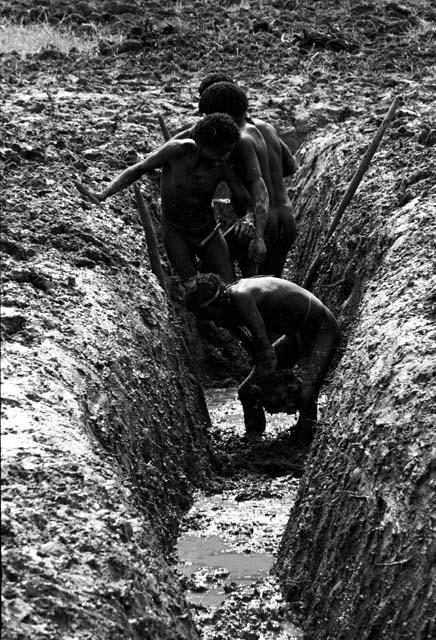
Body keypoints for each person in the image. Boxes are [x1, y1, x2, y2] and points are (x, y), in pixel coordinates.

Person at [74, 113, 252, 283]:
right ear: (204, 145)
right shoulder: (177, 151)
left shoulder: (223, 167)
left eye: (229, 151)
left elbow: (244, 198)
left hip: (208, 232)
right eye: (221, 151)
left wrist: (247, 218)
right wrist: (103, 194)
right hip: (176, 234)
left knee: (230, 286)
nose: (225, 157)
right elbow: (138, 169)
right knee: (192, 287)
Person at [184, 273, 341, 443]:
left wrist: (271, 388)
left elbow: (266, 350)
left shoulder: (241, 296)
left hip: (322, 328)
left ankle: (303, 448)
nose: (216, 323)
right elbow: (255, 352)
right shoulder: (226, 310)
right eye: (208, 319)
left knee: (307, 392)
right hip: (296, 335)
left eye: (212, 315)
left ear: (219, 301)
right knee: (246, 391)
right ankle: (255, 442)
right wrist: (263, 384)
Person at [199, 81, 297, 277]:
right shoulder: (266, 128)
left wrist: (252, 220)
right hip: (286, 218)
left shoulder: (240, 140)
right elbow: (290, 166)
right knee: (271, 283)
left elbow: (256, 185)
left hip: (260, 221)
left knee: (213, 266)